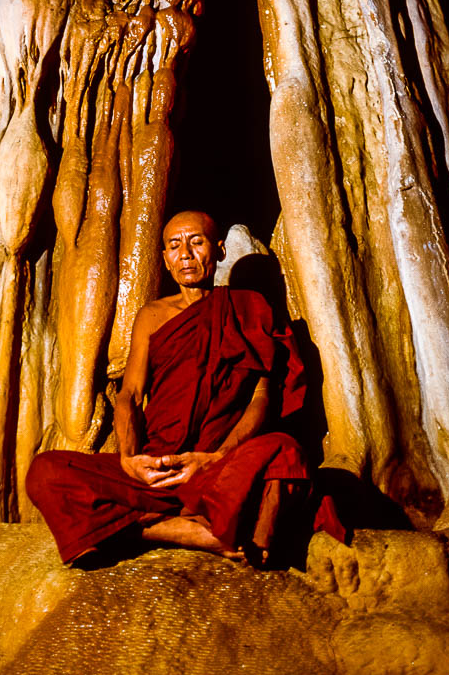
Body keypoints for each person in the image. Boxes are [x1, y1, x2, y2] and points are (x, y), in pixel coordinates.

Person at [26, 210, 313, 567]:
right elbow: (129, 394)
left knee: (285, 452)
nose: (186, 254)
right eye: (175, 246)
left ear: (219, 250)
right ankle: (189, 531)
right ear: (164, 258)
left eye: (197, 242)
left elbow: (261, 397)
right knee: (46, 470)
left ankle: (131, 527)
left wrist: (214, 457)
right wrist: (131, 462)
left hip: (217, 466)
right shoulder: (152, 316)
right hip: (158, 466)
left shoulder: (249, 309)